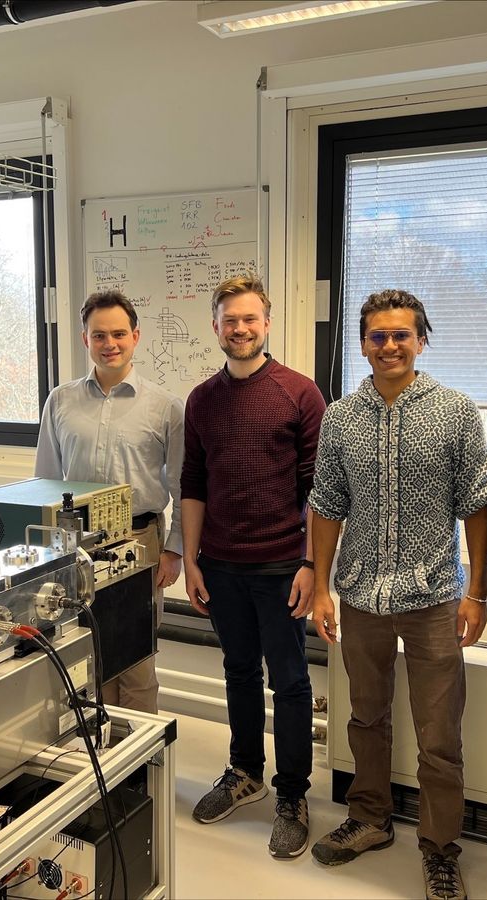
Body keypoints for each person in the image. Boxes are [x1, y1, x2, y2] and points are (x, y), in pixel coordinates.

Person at [309, 289, 487, 900]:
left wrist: (478, 593)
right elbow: (327, 506)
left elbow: (476, 507)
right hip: (360, 594)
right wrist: (321, 588)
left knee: (440, 733)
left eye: (401, 335)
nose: (389, 346)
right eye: (377, 336)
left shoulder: (456, 412)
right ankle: (369, 818)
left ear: (421, 339)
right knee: (365, 716)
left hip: (434, 597)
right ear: (362, 343)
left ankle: (440, 848)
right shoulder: (341, 417)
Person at [181, 274, 326, 860]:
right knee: (239, 671)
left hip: (280, 565)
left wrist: (312, 563)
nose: (240, 329)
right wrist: (191, 560)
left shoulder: (300, 393)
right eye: (229, 320)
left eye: (250, 319)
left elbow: (320, 490)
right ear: (215, 327)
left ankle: (292, 796)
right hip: (218, 564)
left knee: (289, 681)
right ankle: (245, 773)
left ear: (266, 324)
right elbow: (193, 482)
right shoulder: (201, 399)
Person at [34, 289, 183, 714]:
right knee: (84, 652)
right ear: (85, 340)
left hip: (139, 541)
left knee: (134, 660)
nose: (109, 344)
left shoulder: (165, 408)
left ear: (136, 336)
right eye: (99, 336)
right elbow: (44, 480)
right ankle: (97, 759)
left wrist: (173, 551)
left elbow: (182, 486)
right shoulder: (60, 402)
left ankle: (138, 767)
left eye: (119, 333)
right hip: (74, 546)